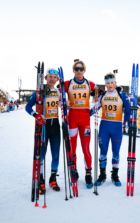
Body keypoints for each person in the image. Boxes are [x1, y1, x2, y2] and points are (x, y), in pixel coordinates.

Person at [26, 68, 61, 194]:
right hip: (43, 125)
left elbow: (65, 105)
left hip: (55, 125)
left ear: (57, 79)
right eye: (50, 76)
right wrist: (36, 115)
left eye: (55, 77)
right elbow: (27, 106)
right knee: (41, 155)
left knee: (56, 154)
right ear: (45, 78)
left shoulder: (58, 91)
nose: (52, 79)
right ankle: (40, 179)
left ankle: (53, 178)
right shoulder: (39, 92)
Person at [94, 72, 130, 187]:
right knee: (103, 152)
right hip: (104, 126)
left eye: (112, 83)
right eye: (107, 83)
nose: (110, 85)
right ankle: (102, 174)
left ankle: (115, 175)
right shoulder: (102, 96)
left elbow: (128, 111)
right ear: (105, 84)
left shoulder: (122, 95)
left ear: (115, 83)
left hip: (117, 127)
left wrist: (126, 123)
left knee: (116, 153)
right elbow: (93, 109)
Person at [64, 61, 96, 189]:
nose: (79, 71)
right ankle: (74, 170)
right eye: (76, 69)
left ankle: (88, 173)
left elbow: (101, 94)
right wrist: (63, 102)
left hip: (85, 120)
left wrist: (95, 107)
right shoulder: (67, 84)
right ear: (73, 70)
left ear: (84, 70)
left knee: (86, 149)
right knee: (72, 148)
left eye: (81, 69)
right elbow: (53, 90)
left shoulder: (90, 84)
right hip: (72, 118)